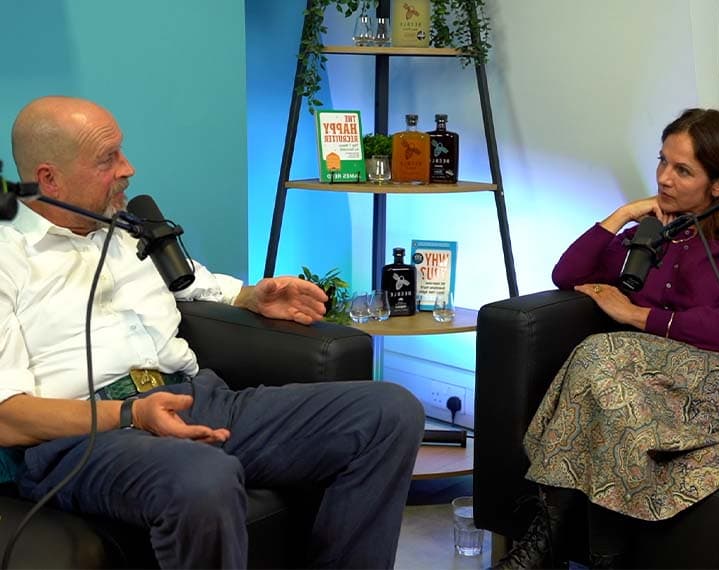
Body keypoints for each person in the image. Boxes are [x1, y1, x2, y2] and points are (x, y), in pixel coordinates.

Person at [0, 96, 425, 569]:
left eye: (122, 151)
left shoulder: (130, 230)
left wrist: (253, 297)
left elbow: (199, 283)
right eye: (108, 159)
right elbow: (6, 417)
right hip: (88, 436)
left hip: (196, 400)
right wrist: (131, 413)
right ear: (49, 179)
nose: (128, 168)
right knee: (203, 478)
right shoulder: (7, 256)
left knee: (389, 412)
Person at [494, 108, 719, 569]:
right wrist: (623, 214)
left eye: (683, 170)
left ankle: (543, 544)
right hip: (647, 380)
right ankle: (603, 559)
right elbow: (567, 274)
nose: (663, 178)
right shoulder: (654, 233)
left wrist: (636, 315)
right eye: (662, 161)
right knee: (613, 406)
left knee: (598, 354)